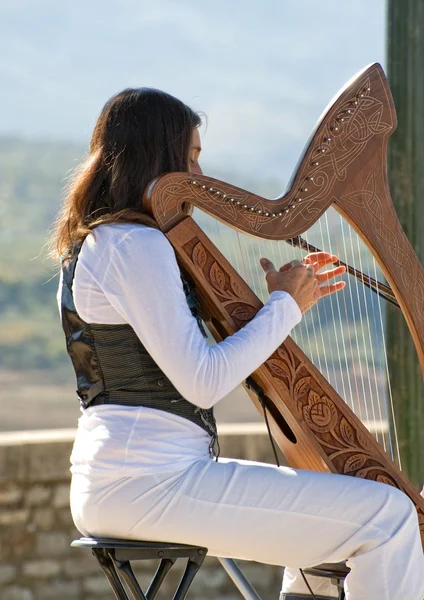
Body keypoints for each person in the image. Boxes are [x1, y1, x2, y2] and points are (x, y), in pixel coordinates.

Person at [51, 88, 424, 600]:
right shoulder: (137, 246)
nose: (200, 178)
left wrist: (280, 307)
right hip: (148, 483)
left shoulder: (104, 242)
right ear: (157, 157)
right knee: (388, 514)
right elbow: (202, 381)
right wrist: (285, 308)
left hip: (132, 480)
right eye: (191, 158)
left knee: (333, 529)